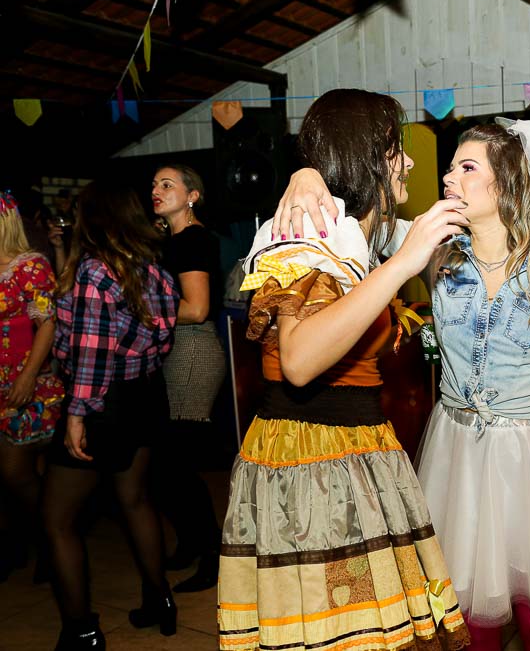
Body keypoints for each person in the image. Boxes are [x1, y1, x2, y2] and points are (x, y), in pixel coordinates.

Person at [273, 120, 530, 650]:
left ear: (509, 183)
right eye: (451, 167)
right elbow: (349, 221)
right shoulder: (433, 247)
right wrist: (307, 174)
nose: (448, 177)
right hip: (459, 454)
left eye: (466, 167)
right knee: (465, 613)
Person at [218, 89, 471, 651]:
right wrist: (402, 265)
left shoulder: (360, 230)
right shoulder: (311, 227)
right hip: (311, 457)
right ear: (365, 155)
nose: (409, 162)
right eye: (395, 149)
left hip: (357, 448)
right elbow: (300, 361)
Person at [43, 180, 179, 649]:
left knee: (57, 521)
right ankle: (160, 600)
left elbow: (90, 354)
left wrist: (77, 415)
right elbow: (161, 340)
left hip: (103, 403)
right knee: (135, 500)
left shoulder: (94, 271)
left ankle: (81, 630)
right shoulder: (154, 268)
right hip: (146, 394)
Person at [150, 164, 226, 593]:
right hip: (175, 351)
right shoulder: (171, 241)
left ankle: (212, 556)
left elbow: (196, 309)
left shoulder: (194, 240)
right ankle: (192, 543)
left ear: (192, 195)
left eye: (167, 184)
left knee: (176, 466)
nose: (156, 191)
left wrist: (142, 309)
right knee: (166, 466)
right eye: (154, 185)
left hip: (193, 351)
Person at [0, 190, 63, 583]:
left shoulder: (30, 265)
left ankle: (53, 534)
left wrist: (27, 376)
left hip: (27, 382)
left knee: (14, 471)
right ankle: (25, 542)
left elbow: (48, 323)